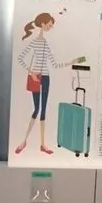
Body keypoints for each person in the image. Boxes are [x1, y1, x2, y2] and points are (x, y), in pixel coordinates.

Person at [15, 12, 61, 154]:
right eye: (50, 25)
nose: (51, 27)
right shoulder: (35, 42)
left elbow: (54, 64)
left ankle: (42, 144)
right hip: (37, 77)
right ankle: (24, 141)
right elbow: (20, 58)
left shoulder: (46, 43)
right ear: (43, 24)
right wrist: (32, 73)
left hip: (46, 77)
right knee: (36, 109)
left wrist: (72, 62)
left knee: (43, 110)